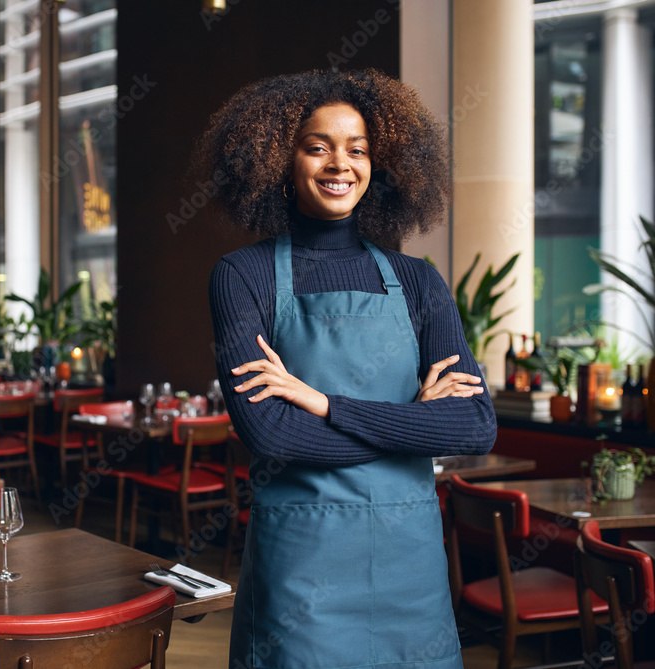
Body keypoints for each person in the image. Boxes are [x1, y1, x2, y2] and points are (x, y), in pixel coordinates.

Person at [200, 69, 497, 668]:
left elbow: (474, 426)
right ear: (280, 162)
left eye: (357, 150)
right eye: (318, 147)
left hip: (410, 564)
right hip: (302, 565)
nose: (340, 164)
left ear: (378, 165)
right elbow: (271, 434)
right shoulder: (243, 276)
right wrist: (414, 423)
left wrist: (322, 403)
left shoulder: (418, 280)